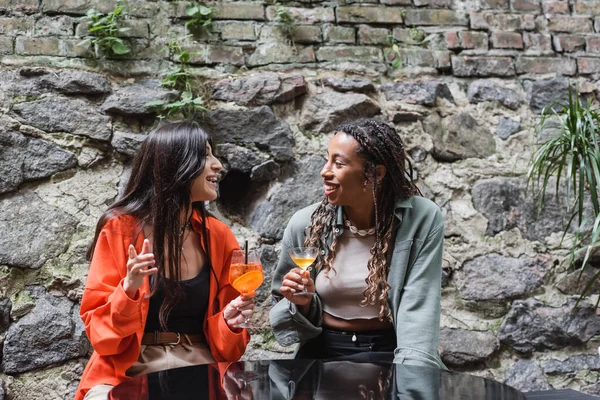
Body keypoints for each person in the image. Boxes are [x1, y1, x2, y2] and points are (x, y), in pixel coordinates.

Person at [75, 121, 255, 400]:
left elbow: (230, 348)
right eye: (206, 155)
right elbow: (102, 337)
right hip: (128, 368)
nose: (218, 165)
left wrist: (230, 324)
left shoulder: (218, 236)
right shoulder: (120, 228)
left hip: (200, 365)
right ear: (177, 165)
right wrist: (129, 290)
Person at [270, 118, 445, 368]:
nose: (325, 171)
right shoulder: (306, 224)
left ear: (375, 173)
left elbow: (418, 309)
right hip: (321, 354)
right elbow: (281, 305)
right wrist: (302, 302)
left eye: (338, 163)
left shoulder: (421, 219)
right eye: (327, 159)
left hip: (393, 354)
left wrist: (411, 381)